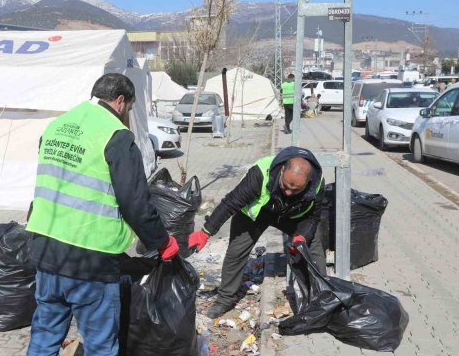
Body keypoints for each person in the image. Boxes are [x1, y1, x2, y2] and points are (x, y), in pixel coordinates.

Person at [26, 73, 179, 355]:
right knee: (100, 345)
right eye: (130, 109)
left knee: (44, 337)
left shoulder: (58, 125)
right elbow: (135, 202)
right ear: (120, 102)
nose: (128, 115)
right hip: (89, 259)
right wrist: (163, 242)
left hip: (45, 249)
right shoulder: (116, 136)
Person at [187, 147, 327, 319]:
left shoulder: (317, 184)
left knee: (314, 247)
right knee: (236, 252)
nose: (289, 192)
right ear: (282, 170)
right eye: (286, 186)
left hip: (292, 217)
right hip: (257, 214)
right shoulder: (261, 172)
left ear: (308, 181)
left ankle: (322, 299)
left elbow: (313, 218)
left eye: (296, 190)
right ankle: (225, 299)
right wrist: (206, 231)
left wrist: (301, 236)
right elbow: (231, 202)